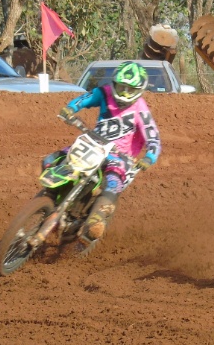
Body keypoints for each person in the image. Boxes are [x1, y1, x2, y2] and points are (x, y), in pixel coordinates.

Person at [57, 61, 161, 254]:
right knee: (58, 157)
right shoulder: (104, 93)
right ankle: (50, 196)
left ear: (139, 90)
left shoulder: (141, 111)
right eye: (121, 87)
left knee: (113, 182)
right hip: (93, 143)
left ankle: (97, 219)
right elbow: (84, 99)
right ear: (114, 84)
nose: (124, 93)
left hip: (120, 156)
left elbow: (153, 138)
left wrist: (149, 157)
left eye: (130, 89)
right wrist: (71, 108)